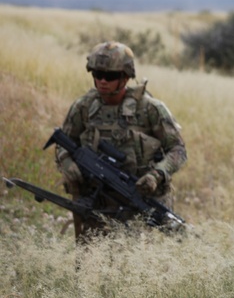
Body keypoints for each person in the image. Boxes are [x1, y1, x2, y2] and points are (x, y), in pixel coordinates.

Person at [56, 40, 187, 241]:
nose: (102, 81)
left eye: (110, 76)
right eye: (97, 75)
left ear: (125, 77)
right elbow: (63, 142)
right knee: (92, 264)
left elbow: (178, 149)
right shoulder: (83, 107)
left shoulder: (150, 109)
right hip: (97, 204)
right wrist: (66, 162)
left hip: (141, 200)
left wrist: (156, 175)